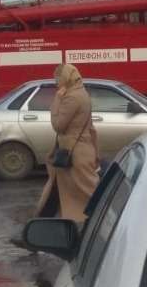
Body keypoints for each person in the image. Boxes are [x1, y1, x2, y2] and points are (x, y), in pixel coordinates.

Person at [34, 63, 100, 224]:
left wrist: (57, 99)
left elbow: (58, 125)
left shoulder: (72, 97)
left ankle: (107, 221)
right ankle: (42, 225)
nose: (56, 82)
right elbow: (91, 128)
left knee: (90, 194)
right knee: (57, 192)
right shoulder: (82, 93)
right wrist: (96, 152)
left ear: (67, 77)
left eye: (58, 78)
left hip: (73, 154)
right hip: (78, 151)